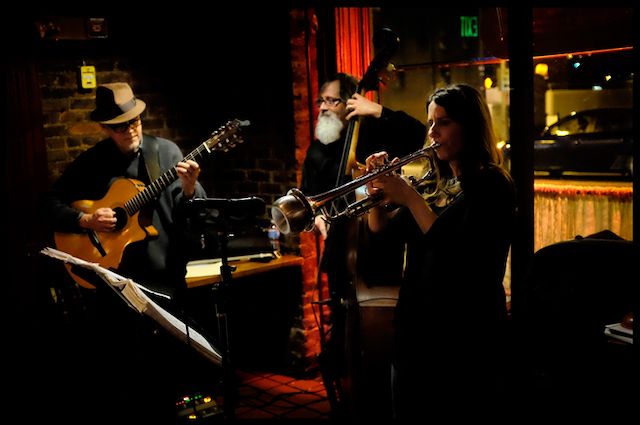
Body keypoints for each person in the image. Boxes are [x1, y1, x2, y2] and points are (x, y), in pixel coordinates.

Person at [42, 82, 210, 423]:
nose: (131, 130)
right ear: (105, 128)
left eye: (135, 121)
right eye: (120, 126)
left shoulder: (166, 154)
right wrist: (85, 219)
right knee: (124, 374)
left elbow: (198, 214)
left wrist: (190, 189)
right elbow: (49, 205)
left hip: (163, 280)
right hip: (113, 285)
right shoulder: (90, 163)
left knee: (171, 368)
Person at [364, 84, 516, 420]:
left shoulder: (492, 185)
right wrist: (376, 193)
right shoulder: (432, 183)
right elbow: (382, 233)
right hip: (415, 330)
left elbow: (456, 254)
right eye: (431, 123)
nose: (433, 132)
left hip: (465, 336)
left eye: (444, 122)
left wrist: (408, 197)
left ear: (470, 126)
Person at [298, 72, 426, 421]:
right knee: (342, 329)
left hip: (377, 253)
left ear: (350, 103)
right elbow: (309, 196)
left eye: (332, 100)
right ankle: (347, 395)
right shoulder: (319, 148)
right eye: (321, 101)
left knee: (380, 345)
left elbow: (418, 134)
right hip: (339, 254)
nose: (323, 107)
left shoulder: (373, 133)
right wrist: (317, 218)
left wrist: (378, 111)